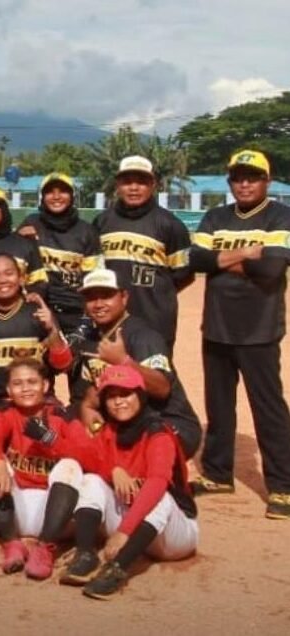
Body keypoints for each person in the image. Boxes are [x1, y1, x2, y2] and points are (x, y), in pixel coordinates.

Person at [187, 150, 290, 519]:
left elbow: (272, 270)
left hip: (259, 330)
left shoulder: (279, 215)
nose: (244, 184)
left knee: (269, 409)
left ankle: (283, 487)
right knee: (219, 406)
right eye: (238, 177)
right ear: (230, 182)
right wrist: (246, 253)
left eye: (252, 177)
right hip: (216, 326)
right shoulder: (216, 216)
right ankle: (217, 473)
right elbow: (194, 260)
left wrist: (222, 260)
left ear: (268, 181)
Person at [61, 364, 197, 600]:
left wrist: (124, 532)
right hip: (137, 526)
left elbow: (157, 482)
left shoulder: (159, 433)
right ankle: (85, 553)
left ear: (141, 396)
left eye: (126, 394)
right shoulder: (110, 430)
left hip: (174, 535)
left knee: (159, 495)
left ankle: (117, 568)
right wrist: (112, 469)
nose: (119, 402)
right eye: (111, 396)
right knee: (92, 480)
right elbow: (85, 457)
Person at [0, 359, 97, 580]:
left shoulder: (62, 415)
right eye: (17, 383)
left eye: (32, 382)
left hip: (55, 512)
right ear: (8, 390)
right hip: (16, 510)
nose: (25, 388)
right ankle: (11, 544)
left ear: (45, 386)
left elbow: (88, 456)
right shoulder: (5, 413)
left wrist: (50, 439)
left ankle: (45, 548)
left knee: (70, 466)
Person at [71, 268, 201, 458]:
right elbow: (88, 398)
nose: (98, 304)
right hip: (126, 425)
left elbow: (162, 388)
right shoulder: (91, 339)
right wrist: (88, 413)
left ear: (124, 297)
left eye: (107, 296)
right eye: (91, 298)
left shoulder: (143, 336)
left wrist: (123, 361)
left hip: (168, 424)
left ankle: (169, 484)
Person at [93, 155, 193, 351]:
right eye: (127, 182)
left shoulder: (169, 224)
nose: (134, 188)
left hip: (154, 320)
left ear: (153, 185)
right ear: (118, 185)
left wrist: (155, 291)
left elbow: (184, 274)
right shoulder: (102, 222)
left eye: (141, 182)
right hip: (109, 320)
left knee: (154, 378)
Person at [0, 254, 72, 408]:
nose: (3, 280)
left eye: (9, 274)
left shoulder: (39, 313)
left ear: (22, 278)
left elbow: (62, 366)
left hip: (37, 402)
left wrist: (52, 330)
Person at [17, 173, 101, 335]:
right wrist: (17, 238)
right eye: (50, 192)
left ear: (72, 196)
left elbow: (91, 279)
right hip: (35, 307)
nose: (56, 197)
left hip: (73, 312)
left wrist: (87, 317)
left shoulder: (87, 232)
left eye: (63, 191)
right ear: (42, 197)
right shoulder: (30, 223)